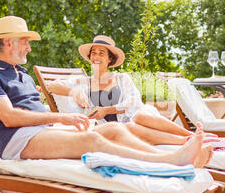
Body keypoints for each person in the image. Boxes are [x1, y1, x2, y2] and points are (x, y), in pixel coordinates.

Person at [0, 16, 213, 168]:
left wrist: (64, 119)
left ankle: (180, 154)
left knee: (113, 127)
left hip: (40, 132)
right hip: (14, 141)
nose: (29, 46)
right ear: (8, 43)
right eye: (25, 41)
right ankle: (169, 162)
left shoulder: (22, 74)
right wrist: (61, 117)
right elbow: (10, 117)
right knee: (92, 139)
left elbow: (35, 110)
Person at [46, 35, 215, 145]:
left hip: (138, 118)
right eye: (93, 53)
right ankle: (188, 140)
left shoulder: (122, 78)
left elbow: (134, 101)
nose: (96, 57)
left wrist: (107, 109)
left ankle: (190, 135)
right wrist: (73, 93)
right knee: (131, 128)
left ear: (110, 59)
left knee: (139, 116)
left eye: (101, 53)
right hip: (117, 129)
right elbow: (51, 85)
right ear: (90, 57)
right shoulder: (82, 82)